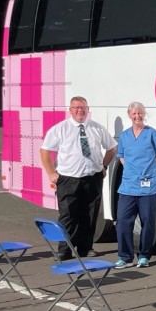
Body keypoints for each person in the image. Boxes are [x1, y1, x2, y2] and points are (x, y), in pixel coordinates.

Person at [40, 96, 115, 258]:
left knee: (90, 214)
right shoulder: (60, 129)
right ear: (70, 110)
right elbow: (45, 151)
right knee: (68, 215)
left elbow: (112, 148)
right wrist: (51, 173)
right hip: (68, 179)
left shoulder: (97, 128)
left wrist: (104, 166)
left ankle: (85, 247)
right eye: (76, 108)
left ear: (88, 110)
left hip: (92, 177)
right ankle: (65, 249)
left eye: (83, 108)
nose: (80, 110)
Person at [113, 102, 156, 268]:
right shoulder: (124, 136)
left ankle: (144, 255)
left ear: (144, 114)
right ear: (129, 115)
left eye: (140, 113)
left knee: (148, 222)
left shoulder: (153, 134)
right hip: (128, 186)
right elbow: (121, 156)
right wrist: (130, 169)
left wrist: (152, 171)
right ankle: (125, 256)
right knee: (123, 221)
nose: (137, 116)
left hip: (148, 187)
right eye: (134, 114)